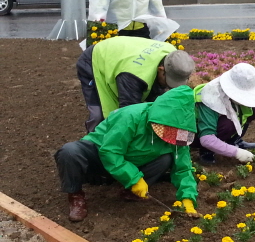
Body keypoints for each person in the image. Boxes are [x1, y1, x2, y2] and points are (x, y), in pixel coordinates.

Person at [54, 86, 199, 222]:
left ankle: (130, 191)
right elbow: (110, 151)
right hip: (100, 154)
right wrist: (134, 178)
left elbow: (183, 168)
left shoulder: (179, 132)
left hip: (133, 161)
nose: (170, 134)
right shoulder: (130, 117)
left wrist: (188, 198)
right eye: (168, 129)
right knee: (70, 151)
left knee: (165, 159)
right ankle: (76, 196)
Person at [77, 36, 196, 133]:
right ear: (161, 70)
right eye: (168, 81)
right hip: (95, 60)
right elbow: (128, 113)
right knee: (99, 115)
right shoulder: (134, 76)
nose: (168, 87)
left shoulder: (173, 56)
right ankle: (91, 144)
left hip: (123, 58)